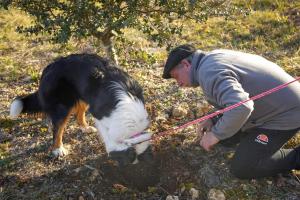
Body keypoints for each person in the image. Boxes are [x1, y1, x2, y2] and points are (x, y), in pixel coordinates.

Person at [162, 44, 300, 179]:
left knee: (243, 167)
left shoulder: (209, 73)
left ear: (186, 64)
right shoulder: (212, 58)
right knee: (225, 138)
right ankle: (248, 138)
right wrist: (214, 119)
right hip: (272, 106)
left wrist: (215, 135)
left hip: (287, 114)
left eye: (176, 77)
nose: (178, 84)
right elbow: (235, 98)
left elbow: (242, 106)